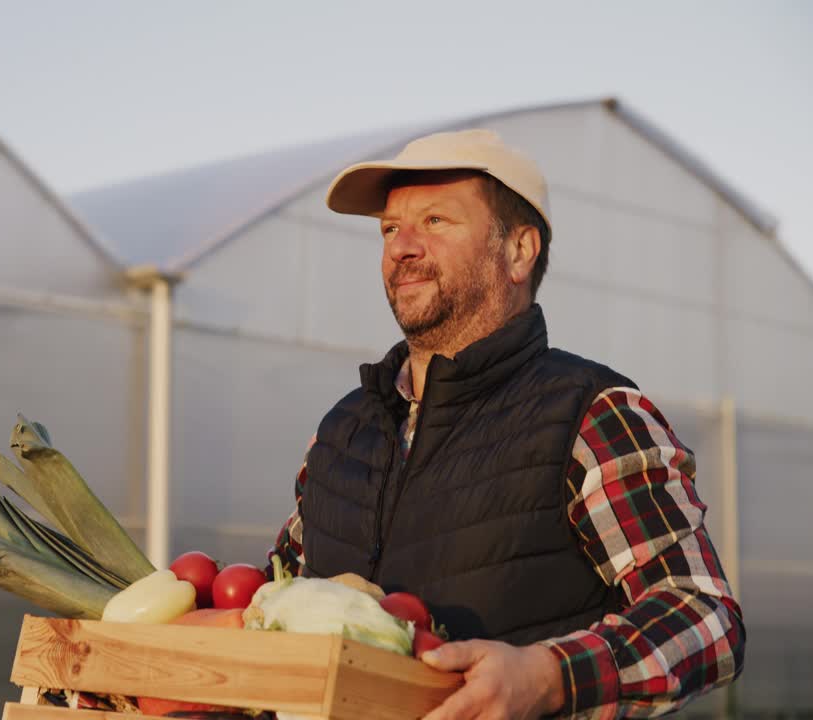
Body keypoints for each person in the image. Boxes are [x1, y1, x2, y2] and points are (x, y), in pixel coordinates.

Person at [268, 129, 746, 719]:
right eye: (390, 228)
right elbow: (276, 603)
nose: (402, 247)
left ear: (520, 250)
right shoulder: (340, 433)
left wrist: (549, 677)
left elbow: (704, 616)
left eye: (437, 221)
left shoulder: (591, 413)